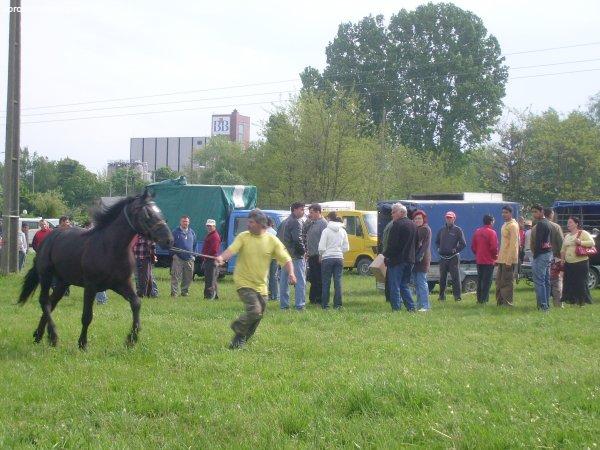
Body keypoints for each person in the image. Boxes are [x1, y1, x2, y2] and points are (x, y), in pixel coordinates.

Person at [216, 209, 296, 349]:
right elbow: (231, 250)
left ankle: (240, 339)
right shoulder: (243, 237)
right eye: (249, 222)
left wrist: (291, 273)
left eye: (252, 222)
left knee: (258, 316)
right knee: (254, 311)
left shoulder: (272, 240)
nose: (248, 224)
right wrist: (222, 258)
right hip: (244, 282)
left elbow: (286, 259)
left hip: (261, 285)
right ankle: (237, 326)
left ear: (261, 224)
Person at [383, 203, 417, 312]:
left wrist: (386, 256)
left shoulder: (397, 225)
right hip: (410, 260)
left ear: (401, 212)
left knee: (395, 286)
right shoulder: (413, 225)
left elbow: (393, 245)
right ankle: (411, 308)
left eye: (393, 212)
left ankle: (396, 309)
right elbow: (417, 243)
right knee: (404, 285)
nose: (392, 215)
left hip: (397, 260)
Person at [277, 202, 307, 310]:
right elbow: (297, 239)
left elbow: (278, 238)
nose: (303, 212)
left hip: (283, 256)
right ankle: (300, 305)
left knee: (283, 282)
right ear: (294, 210)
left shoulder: (284, 222)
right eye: (301, 209)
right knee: (300, 281)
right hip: (295, 256)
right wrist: (303, 252)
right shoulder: (296, 222)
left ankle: (284, 306)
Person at [561, 216, 595, 306]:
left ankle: (582, 302)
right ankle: (573, 301)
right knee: (569, 282)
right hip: (568, 263)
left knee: (580, 282)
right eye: (568, 222)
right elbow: (563, 249)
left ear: (576, 224)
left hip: (581, 262)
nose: (568, 224)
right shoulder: (567, 236)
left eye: (571, 222)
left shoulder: (583, 233)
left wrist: (580, 242)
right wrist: (562, 261)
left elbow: (592, 243)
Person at [318, 212, 349, 309]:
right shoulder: (343, 231)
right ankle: (338, 305)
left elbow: (322, 246)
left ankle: (325, 305)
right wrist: (339, 251)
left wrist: (321, 255)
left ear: (329, 219)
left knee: (326, 282)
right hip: (339, 257)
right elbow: (346, 247)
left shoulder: (326, 230)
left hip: (327, 258)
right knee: (338, 282)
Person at [435, 211, 466, 302]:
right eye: (447, 218)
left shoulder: (458, 230)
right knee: (442, 278)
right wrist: (438, 248)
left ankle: (457, 297)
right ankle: (441, 297)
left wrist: (456, 250)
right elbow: (436, 242)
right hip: (443, 257)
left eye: (450, 218)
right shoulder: (441, 230)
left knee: (455, 278)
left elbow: (463, 244)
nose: (448, 219)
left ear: (454, 219)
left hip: (454, 258)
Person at [471, 214, 498, 304]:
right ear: (491, 222)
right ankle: (484, 299)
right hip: (489, 261)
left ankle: (479, 299)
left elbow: (473, 247)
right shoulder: (492, 232)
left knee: (480, 280)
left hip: (479, 260)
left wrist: (478, 254)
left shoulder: (477, 231)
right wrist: (495, 257)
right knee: (487, 281)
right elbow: (494, 247)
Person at [304, 204, 328, 305]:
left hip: (319, 256)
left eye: (312, 212)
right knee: (312, 278)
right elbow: (303, 230)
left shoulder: (323, 224)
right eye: (309, 212)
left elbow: (325, 241)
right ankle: (312, 299)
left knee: (319, 278)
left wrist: (321, 255)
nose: (310, 214)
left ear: (318, 212)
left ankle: (319, 299)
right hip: (311, 254)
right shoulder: (311, 222)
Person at [530, 204, 553, 312]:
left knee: (539, 281)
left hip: (541, 255)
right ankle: (546, 304)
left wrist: (535, 256)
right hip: (548, 253)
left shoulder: (540, 224)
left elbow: (538, 242)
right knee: (546, 280)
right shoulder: (548, 223)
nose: (534, 214)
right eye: (533, 212)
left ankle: (543, 306)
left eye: (535, 212)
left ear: (541, 211)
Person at [496, 206, 519, 306]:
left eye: (506, 212)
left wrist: (509, 260)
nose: (503, 214)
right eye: (502, 212)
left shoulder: (513, 225)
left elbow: (514, 244)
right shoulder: (505, 225)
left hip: (508, 259)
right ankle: (500, 302)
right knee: (499, 282)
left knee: (507, 282)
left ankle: (507, 303)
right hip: (501, 258)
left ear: (511, 213)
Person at [170, 215, 197, 297]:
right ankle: (174, 293)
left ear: (189, 222)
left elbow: (195, 244)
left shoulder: (192, 232)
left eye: (186, 221)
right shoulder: (175, 232)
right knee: (175, 276)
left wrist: (194, 255)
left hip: (189, 258)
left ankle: (184, 292)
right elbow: (170, 245)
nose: (185, 223)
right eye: (183, 221)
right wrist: (174, 255)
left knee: (188, 277)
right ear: (180, 222)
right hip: (178, 258)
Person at [545, 207, 565, 308]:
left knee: (544, 280)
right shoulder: (556, 227)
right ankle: (558, 304)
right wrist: (562, 258)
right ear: (551, 214)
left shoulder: (536, 226)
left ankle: (544, 303)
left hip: (542, 257)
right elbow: (562, 243)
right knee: (556, 281)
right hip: (555, 257)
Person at [412, 210, 432, 311]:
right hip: (416, 259)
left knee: (421, 282)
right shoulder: (418, 229)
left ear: (423, 219)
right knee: (417, 283)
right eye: (415, 219)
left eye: (419, 218)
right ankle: (420, 304)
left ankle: (425, 305)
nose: (417, 220)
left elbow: (422, 246)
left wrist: (418, 256)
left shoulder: (424, 229)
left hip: (422, 259)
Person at [133, 233, 158, 298]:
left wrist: (153, 256)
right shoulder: (135, 234)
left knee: (144, 277)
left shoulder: (148, 234)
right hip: (136, 257)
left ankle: (142, 294)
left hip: (145, 258)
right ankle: (149, 294)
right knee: (146, 276)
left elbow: (152, 246)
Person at [202, 219, 221, 300]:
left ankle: (209, 296)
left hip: (211, 260)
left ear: (214, 226)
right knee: (212, 279)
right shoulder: (210, 235)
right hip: (209, 259)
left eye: (210, 226)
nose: (209, 227)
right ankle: (215, 296)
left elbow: (214, 250)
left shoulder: (215, 236)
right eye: (208, 226)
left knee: (210, 280)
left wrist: (206, 256)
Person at [266, 218, 279, 301]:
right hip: (274, 257)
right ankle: (274, 295)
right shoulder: (275, 232)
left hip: (265, 257)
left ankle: (266, 295)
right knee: (274, 277)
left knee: (265, 277)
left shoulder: (263, 232)